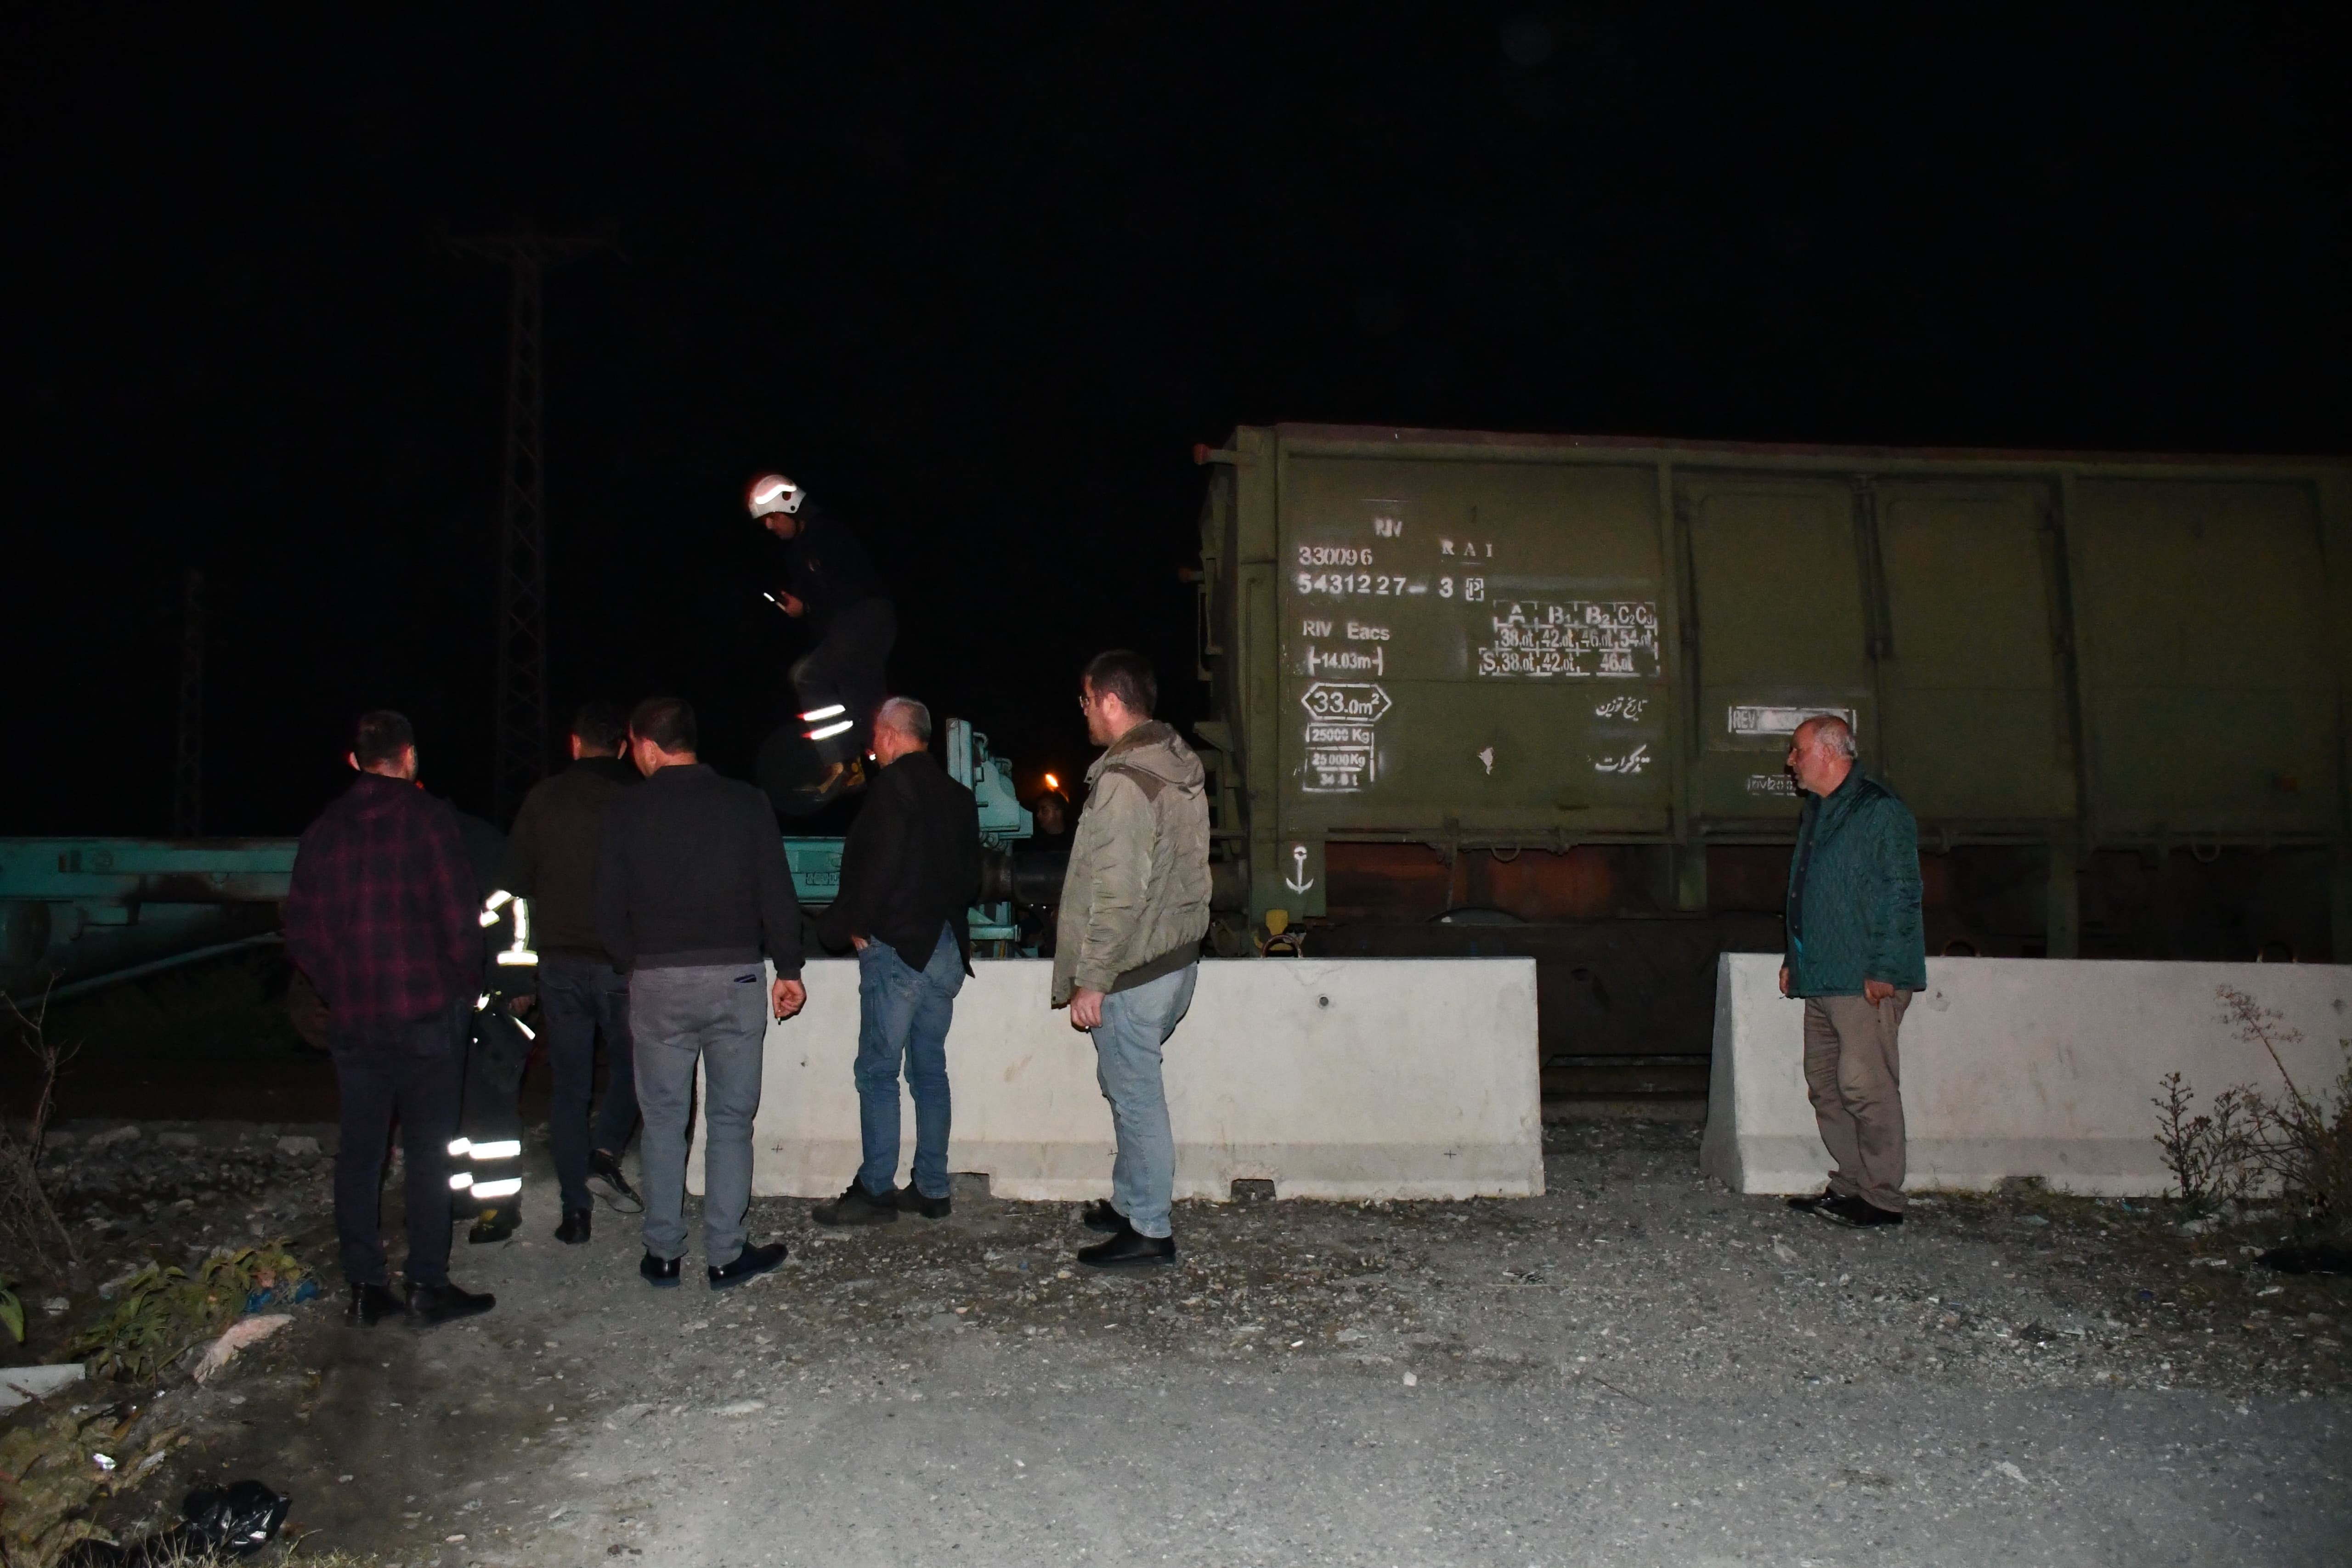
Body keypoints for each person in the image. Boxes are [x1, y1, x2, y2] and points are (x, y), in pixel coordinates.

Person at [282, 710, 497, 1328]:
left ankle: (365, 1288)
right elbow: (461, 921)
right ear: (408, 755)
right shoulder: (429, 820)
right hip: (429, 1015)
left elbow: (302, 930)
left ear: (355, 759)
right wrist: (462, 988)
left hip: (357, 1019)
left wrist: (339, 985)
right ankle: (427, 1284)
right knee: (430, 1152)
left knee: (360, 1152)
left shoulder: (324, 830)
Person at [595, 696, 806, 1289]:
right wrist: (788, 968)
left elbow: (606, 907)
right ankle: (724, 1253)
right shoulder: (745, 802)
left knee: (663, 1120)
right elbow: (776, 892)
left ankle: (663, 1253)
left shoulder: (625, 811)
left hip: (657, 980)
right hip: (735, 978)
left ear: (647, 744)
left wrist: (630, 964)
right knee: (731, 1120)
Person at [1050, 651, 1211, 1268]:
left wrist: (1093, 979)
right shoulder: (1173, 767)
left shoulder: (1123, 781)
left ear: (1111, 702)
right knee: (1124, 1084)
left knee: (1137, 1094)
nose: (1085, 711)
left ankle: (1150, 1229)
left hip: (1134, 970)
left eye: (1088, 700)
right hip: (1173, 959)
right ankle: (1129, 1201)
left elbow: (1117, 893)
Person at [809, 697, 982, 1226]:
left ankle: (876, 1190)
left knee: (877, 1072)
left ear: (888, 735)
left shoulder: (890, 789)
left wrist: (844, 927)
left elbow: (874, 868)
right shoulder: (957, 796)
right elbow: (972, 881)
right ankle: (931, 1188)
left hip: (899, 952)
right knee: (929, 1072)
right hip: (946, 949)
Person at [497, 699, 646, 1244]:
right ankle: (604, 1151)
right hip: (620, 964)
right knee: (635, 1069)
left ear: (575, 743)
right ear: (625, 745)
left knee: (569, 1087)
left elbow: (512, 881)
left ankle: (574, 1211)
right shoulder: (638, 797)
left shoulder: (544, 798)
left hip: (559, 963)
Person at [1778, 713, 1927, 1228]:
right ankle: (1849, 1184)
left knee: (1865, 1086)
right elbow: (1808, 890)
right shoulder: (1819, 812)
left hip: (1861, 978)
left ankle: (1881, 1198)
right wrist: (1793, 958)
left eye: (1797, 750)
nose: (1790, 761)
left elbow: (1902, 892)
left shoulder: (1878, 811)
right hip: (1823, 974)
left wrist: (1885, 966)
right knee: (1825, 1084)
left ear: (1828, 751)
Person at [748, 472, 894, 806]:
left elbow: (846, 587)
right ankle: (870, 765)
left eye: (773, 517)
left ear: (791, 506)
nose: (770, 527)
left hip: (868, 618)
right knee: (862, 700)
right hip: (857, 629)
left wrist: (809, 604)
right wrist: (800, 607)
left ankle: (839, 762)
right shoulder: (799, 551)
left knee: (808, 676)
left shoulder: (826, 534)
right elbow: (817, 600)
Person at [447, 805, 534, 1245]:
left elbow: (516, 917)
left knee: (490, 1107)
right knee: (455, 1110)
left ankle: (499, 1205)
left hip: (488, 1005)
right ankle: (461, 1196)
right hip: (452, 1001)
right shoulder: (453, 835)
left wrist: (516, 981)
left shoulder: (480, 843)